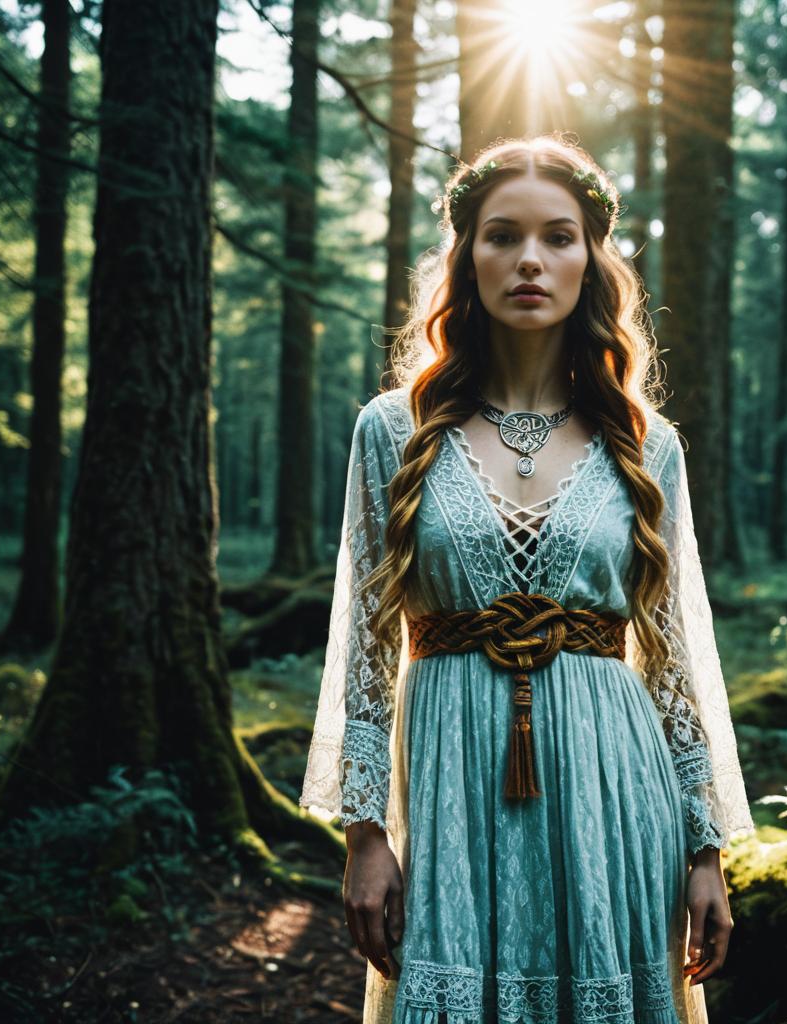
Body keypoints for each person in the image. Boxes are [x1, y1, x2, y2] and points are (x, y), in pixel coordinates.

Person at [300, 133, 754, 1024]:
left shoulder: (645, 443)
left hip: (612, 784)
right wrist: (363, 834)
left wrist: (706, 850)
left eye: (559, 236)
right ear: (466, 257)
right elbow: (363, 645)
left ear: (593, 258)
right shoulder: (393, 430)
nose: (530, 260)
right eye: (502, 235)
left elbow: (672, 658)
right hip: (448, 779)